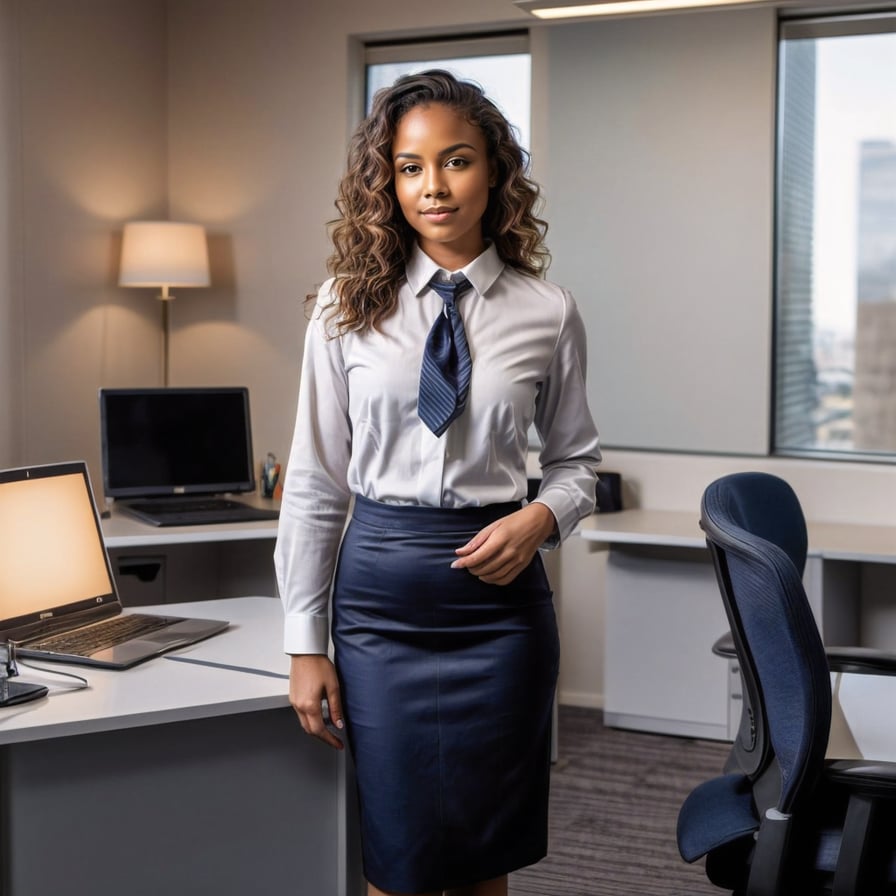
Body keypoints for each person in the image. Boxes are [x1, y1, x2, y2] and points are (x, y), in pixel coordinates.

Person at [274, 69, 601, 896]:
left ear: (493, 170)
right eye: (410, 167)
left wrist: (541, 521)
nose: (434, 187)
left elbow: (577, 464)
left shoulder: (548, 310)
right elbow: (315, 482)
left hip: (501, 611)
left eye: (454, 161)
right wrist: (304, 643)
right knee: (400, 858)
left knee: (482, 860)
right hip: (381, 605)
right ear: (387, 181)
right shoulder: (345, 307)